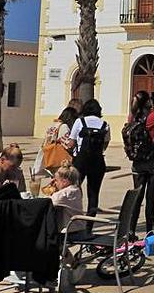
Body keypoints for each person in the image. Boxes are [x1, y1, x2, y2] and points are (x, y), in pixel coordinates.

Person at [128, 90, 154, 238]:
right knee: (150, 198)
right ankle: (149, 230)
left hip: (138, 161)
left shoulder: (132, 116)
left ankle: (131, 230)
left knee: (137, 197)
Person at [69, 99, 110, 229]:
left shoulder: (79, 122)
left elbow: (71, 142)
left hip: (81, 161)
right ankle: (89, 227)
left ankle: (73, 221)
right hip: (97, 162)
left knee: (73, 190)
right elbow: (105, 143)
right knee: (93, 194)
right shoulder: (105, 124)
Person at [50, 161, 86, 238]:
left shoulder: (68, 193)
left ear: (64, 182)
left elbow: (50, 202)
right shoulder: (76, 189)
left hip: (71, 230)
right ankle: (62, 250)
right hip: (77, 227)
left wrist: (52, 190)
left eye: (56, 180)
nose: (54, 183)